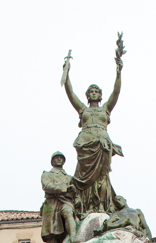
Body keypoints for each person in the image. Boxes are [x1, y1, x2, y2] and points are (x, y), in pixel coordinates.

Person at [62, 51, 123, 214]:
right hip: (86, 145)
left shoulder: (106, 109)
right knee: (84, 178)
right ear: (88, 96)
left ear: (101, 95)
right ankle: (85, 206)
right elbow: (70, 93)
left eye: (96, 91)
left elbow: (116, 93)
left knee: (102, 176)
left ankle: (102, 205)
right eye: (91, 91)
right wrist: (66, 74)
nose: (94, 93)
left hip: (102, 143)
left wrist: (118, 73)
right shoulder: (83, 109)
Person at [40, 151, 79, 243]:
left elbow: (77, 192)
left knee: (68, 212)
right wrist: (65, 188)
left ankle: (74, 239)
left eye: (61, 158)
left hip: (66, 201)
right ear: (52, 161)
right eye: (56, 157)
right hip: (52, 203)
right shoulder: (47, 174)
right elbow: (47, 186)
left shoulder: (69, 177)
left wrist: (76, 196)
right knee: (52, 233)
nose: (59, 159)